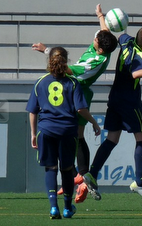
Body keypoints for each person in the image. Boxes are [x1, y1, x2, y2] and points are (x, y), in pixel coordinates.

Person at [31, 4, 117, 203]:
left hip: (77, 93)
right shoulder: (106, 46)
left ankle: (82, 175)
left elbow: (67, 69)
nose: (94, 38)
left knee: (75, 136)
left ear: (100, 48)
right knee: (72, 136)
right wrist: (100, 16)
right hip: (75, 92)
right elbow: (105, 32)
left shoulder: (94, 61)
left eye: (96, 40)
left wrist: (47, 51)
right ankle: (81, 178)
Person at [83, 27, 142, 203]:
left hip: (115, 98)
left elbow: (110, 32)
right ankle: (139, 183)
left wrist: (101, 16)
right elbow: (135, 73)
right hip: (130, 103)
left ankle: (92, 174)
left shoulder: (126, 40)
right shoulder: (139, 55)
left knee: (112, 139)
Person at [26, 47, 101, 219]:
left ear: (49, 61)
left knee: (50, 168)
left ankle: (54, 207)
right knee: (67, 170)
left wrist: (33, 133)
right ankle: (67, 207)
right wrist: (94, 122)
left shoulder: (41, 82)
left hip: (46, 131)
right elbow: (81, 108)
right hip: (67, 131)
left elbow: (32, 111)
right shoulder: (72, 83)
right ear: (66, 61)